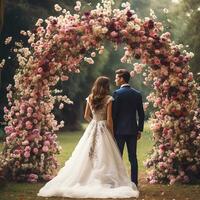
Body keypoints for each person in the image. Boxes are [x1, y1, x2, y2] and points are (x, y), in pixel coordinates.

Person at [38, 76, 139, 198]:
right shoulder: (109, 99)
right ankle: (105, 179)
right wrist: (111, 134)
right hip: (103, 127)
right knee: (104, 153)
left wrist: (94, 122)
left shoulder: (90, 98)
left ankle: (86, 176)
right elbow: (110, 119)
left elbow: (86, 116)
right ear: (106, 86)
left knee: (87, 153)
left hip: (93, 126)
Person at [112, 69, 145, 186]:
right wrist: (140, 129)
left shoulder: (117, 94)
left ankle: (118, 182)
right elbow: (141, 114)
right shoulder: (137, 94)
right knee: (133, 157)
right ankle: (134, 182)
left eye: (116, 78)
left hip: (119, 131)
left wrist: (112, 129)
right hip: (132, 130)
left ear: (122, 79)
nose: (115, 80)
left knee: (118, 157)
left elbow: (114, 114)